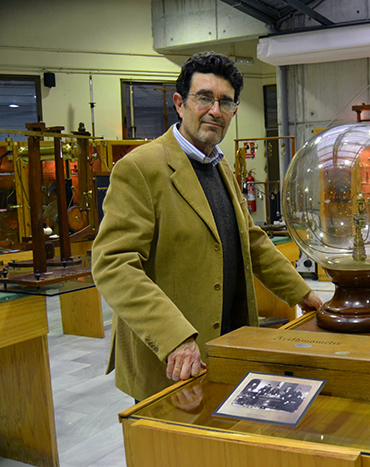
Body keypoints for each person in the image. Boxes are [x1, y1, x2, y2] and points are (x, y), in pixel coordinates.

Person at [92, 52, 322, 402]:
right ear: (180, 103)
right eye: (204, 97)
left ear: (233, 111)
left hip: (227, 343)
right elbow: (114, 264)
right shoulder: (140, 168)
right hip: (172, 360)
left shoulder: (220, 166)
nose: (215, 110)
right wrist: (174, 337)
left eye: (225, 102)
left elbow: (252, 242)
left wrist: (303, 294)